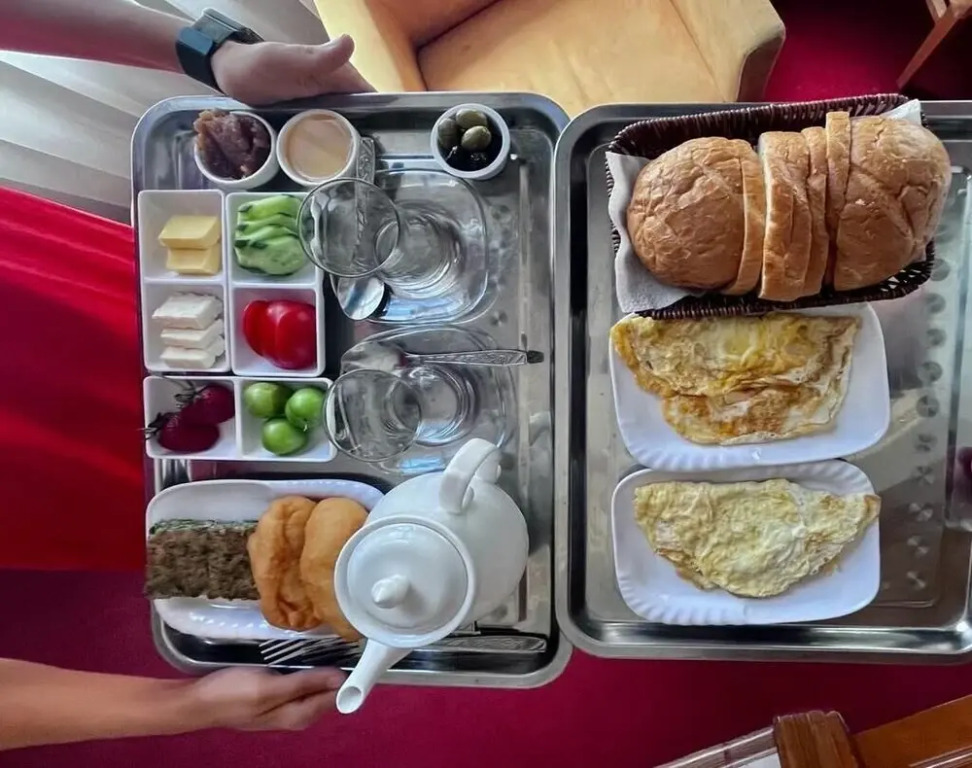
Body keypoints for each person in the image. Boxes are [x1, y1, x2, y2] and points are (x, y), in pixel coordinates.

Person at [0, 0, 373, 750]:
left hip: (51, 290)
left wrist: (208, 49)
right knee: (210, 519)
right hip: (45, 479)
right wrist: (178, 706)